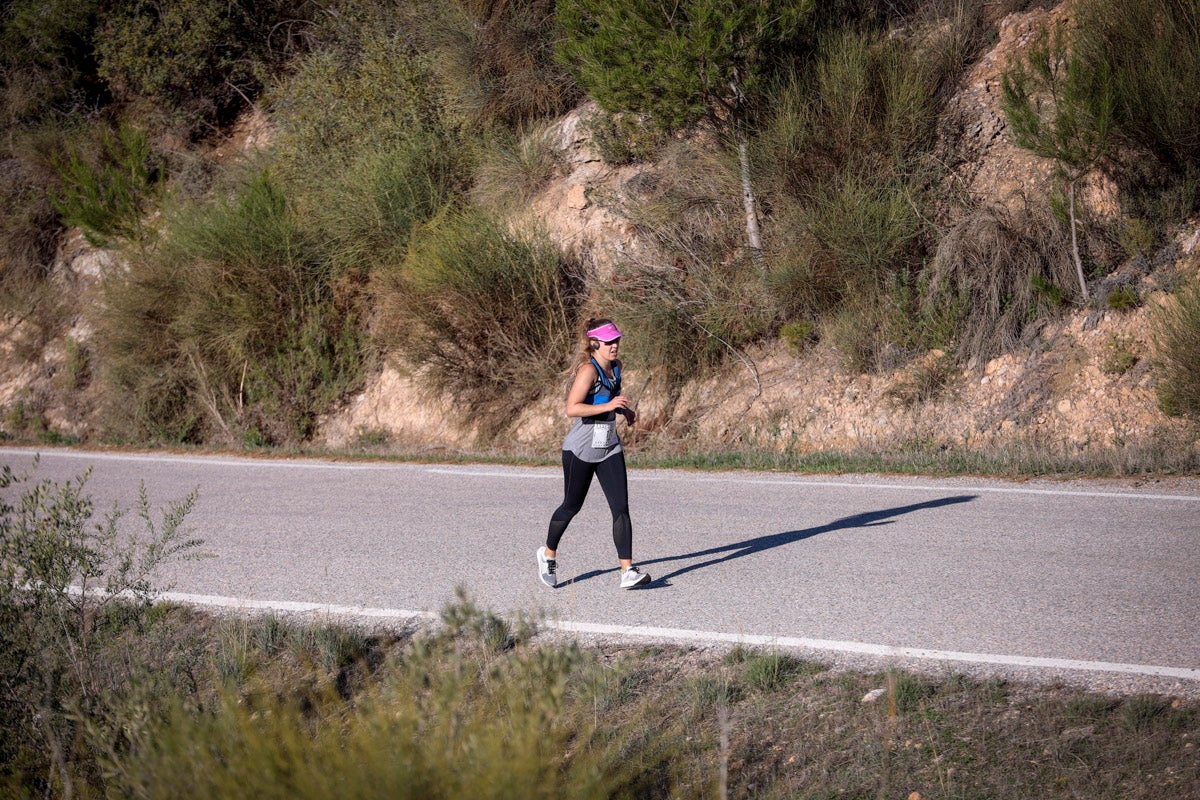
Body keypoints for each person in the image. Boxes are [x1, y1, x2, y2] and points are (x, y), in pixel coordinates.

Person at [537, 318, 651, 589]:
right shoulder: (589, 370)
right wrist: (610, 404)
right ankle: (548, 554)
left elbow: (607, 399)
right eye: (609, 341)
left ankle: (627, 571)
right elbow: (572, 408)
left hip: (609, 446)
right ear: (595, 343)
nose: (615, 345)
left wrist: (623, 410)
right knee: (571, 506)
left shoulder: (617, 368)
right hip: (581, 448)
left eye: (617, 340)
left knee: (620, 507)